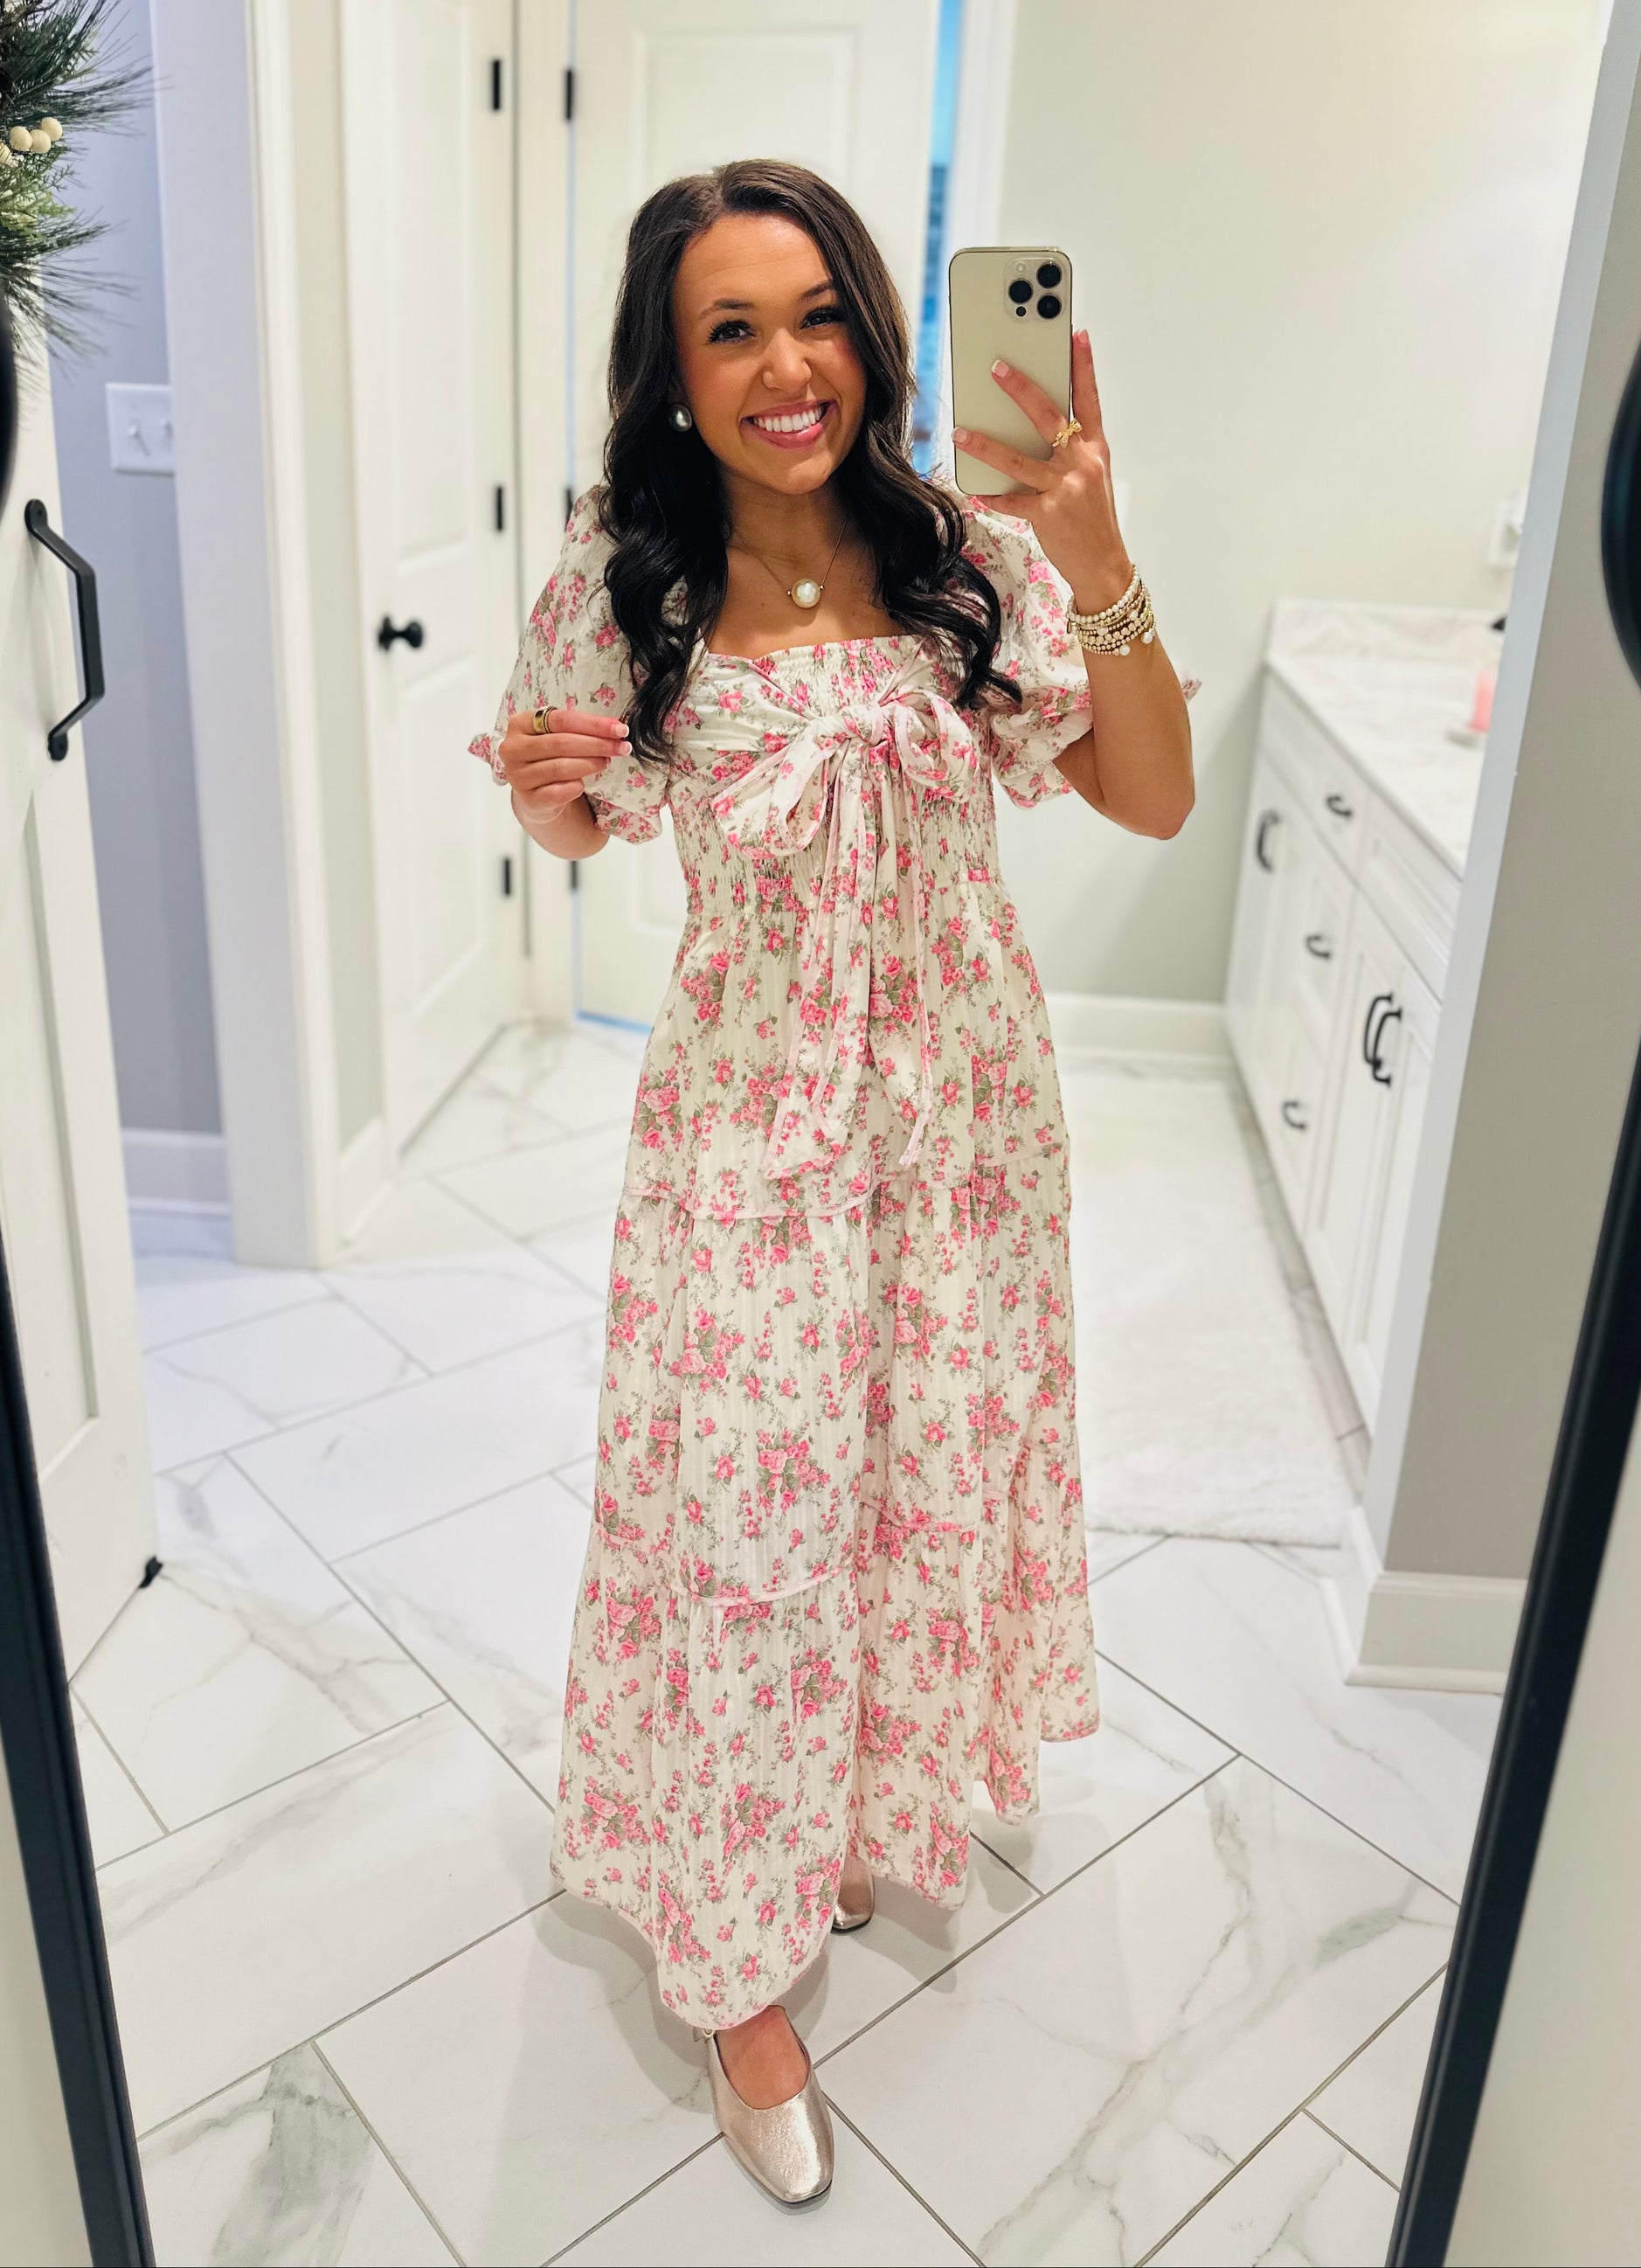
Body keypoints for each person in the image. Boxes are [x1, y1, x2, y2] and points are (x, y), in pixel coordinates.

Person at [469, 158, 1194, 2208]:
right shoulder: (626, 579)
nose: (786, 367)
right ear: (673, 369)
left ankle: (853, 1804)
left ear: (874, 332)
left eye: (815, 317)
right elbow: (579, 812)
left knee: (910, 1479)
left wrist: (1102, 547)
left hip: (965, 1132)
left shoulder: (973, 554)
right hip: (749, 1139)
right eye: (730, 329)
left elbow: (1150, 794)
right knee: (747, 1533)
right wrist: (555, 805)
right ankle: (729, 1962)